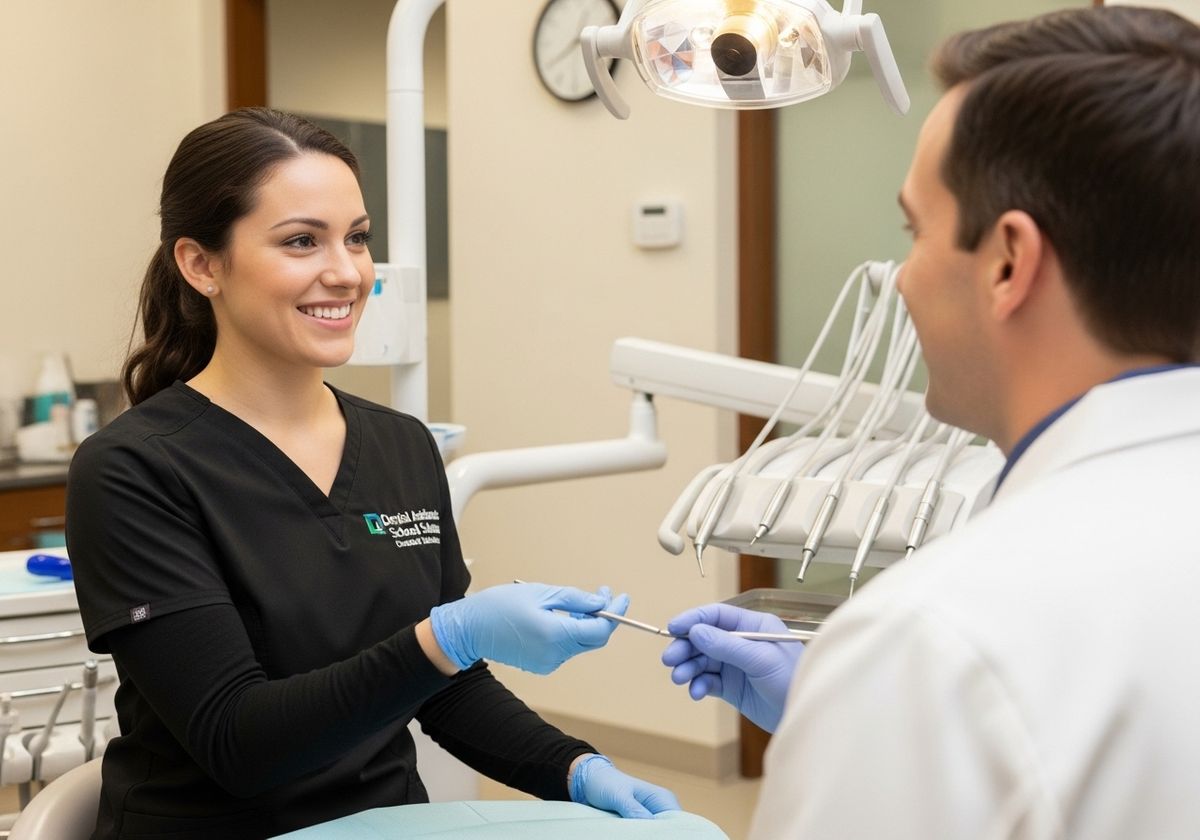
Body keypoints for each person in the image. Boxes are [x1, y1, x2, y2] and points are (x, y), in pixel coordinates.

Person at [65, 108, 678, 839]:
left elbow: (443, 690)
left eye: (357, 238)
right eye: (301, 241)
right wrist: (444, 637)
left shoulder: (400, 445)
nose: (347, 272)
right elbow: (239, 742)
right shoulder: (134, 471)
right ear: (201, 265)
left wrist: (574, 767)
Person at [662, 6, 1200, 838]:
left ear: (1009, 262)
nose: (903, 279)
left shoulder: (931, 638)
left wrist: (874, 704)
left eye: (915, 232)